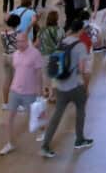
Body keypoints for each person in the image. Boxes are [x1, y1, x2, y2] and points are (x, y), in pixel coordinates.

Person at [40, 18, 94, 157]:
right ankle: (80, 139)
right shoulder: (80, 45)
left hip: (59, 85)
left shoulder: (62, 41)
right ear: (81, 30)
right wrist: (85, 85)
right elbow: (82, 68)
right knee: (81, 109)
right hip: (74, 85)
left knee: (57, 116)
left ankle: (45, 145)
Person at [0, 30, 44, 155]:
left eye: (22, 41)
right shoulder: (15, 55)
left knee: (35, 116)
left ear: (27, 41)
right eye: (17, 41)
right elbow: (16, 71)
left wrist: (40, 91)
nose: (19, 44)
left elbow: (39, 74)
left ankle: (44, 132)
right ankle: (9, 143)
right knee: (8, 119)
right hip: (15, 91)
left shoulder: (35, 54)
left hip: (30, 93)